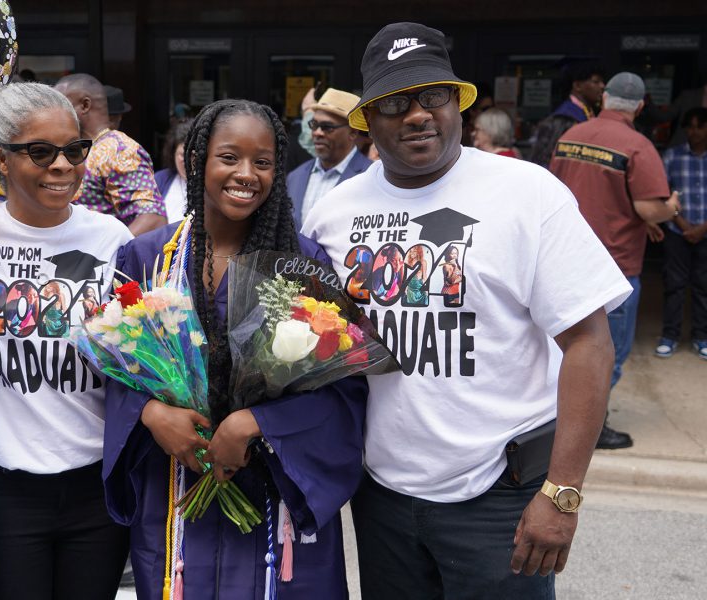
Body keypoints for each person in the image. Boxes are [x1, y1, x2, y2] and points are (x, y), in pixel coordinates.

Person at [303, 22, 630, 599]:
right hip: (380, 496)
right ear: (368, 122)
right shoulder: (334, 212)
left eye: (433, 97)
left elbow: (589, 343)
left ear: (458, 104)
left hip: (500, 497)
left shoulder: (528, 194)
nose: (417, 115)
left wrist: (562, 492)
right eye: (395, 103)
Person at [104, 99, 367, 600]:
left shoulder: (303, 264)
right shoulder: (146, 258)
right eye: (229, 157)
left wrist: (257, 425)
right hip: (178, 491)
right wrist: (152, 413)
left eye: (263, 162)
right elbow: (116, 366)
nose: (246, 174)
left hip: (274, 489)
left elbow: (343, 383)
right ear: (197, 158)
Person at [0, 82, 132, 600]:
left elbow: (140, 357)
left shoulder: (112, 240)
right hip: (3, 488)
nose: (62, 165)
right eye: (40, 151)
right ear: (2, 160)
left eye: (74, 149)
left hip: (96, 484)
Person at [550, 72, 681, 449]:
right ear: (640, 107)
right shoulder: (637, 145)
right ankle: (592, 429)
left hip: (564, 261)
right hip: (614, 269)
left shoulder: (570, 136)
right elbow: (647, 206)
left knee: (564, 347)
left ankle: (555, 420)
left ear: (604, 99)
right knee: (605, 354)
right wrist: (668, 209)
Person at [54, 73, 167, 236]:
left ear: (85, 105)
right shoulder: (79, 148)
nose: (55, 112)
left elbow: (153, 220)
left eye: (61, 105)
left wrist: (107, 255)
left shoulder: (119, 150)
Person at [655, 107, 707, 360]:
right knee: (674, 285)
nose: (694, 132)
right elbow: (663, 195)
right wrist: (683, 224)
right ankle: (670, 335)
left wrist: (702, 228)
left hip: (705, 231)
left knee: (703, 286)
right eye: (691, 126)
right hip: (678, 231)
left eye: (700, 126)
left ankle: (701, 336)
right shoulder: (672, 156)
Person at [286, 88, 372, 229]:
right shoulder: (295, 177)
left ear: (352, 132)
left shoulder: (371, 176)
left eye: (327, 127)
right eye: (314, 125)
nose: (317, 133)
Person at [527, 62, 605, 168]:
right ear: (577, 86)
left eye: (601, 82)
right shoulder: (565, 118)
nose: (602, 86)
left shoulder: (587, 112)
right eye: (595, 82)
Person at [154, 120, 193, 223]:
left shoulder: (212, 183)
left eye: (194, 155)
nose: (188, 161)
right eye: (182, 155)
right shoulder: (160, 179)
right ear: (173, 153)